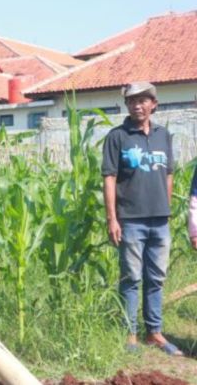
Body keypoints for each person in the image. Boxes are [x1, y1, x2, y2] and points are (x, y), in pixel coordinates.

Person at [102, 81, 182, 356]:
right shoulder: (117, 137)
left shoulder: (163, 135)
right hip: (131, 219)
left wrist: (166, 205)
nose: (137, 105)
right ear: (127, 106)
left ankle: (155, 333)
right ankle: (130, 334)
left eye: (143, 100)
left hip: (160, 219)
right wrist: (112, 218)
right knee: (131, 277)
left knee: (156, 277)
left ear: (153, 104)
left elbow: (169, 173)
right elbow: (109, 178)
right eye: (132, 101)